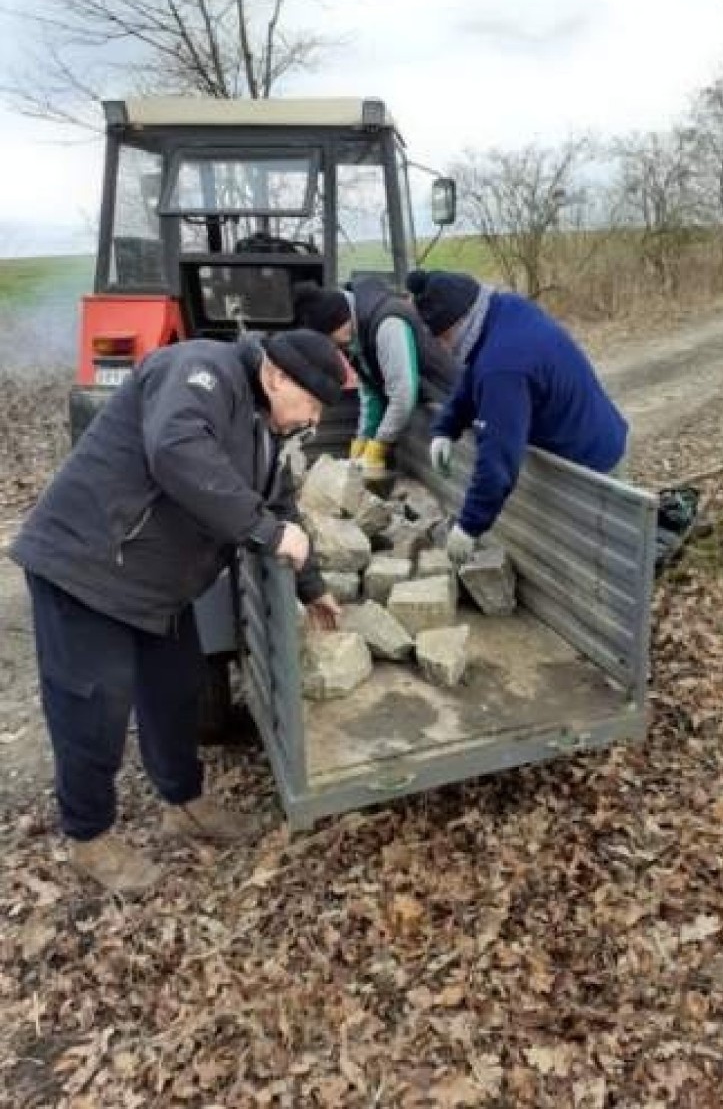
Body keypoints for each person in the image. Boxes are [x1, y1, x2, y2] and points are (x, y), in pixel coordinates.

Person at [10, 329, 346, 894]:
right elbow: (175, 450)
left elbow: (280, 506)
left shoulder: (265, 430)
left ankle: (182, 803)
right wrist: (263, 531)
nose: (310, 420)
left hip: (154, 585)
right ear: (279, 376)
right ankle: (90, 837)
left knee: (176, 691)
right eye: (310, 405)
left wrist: (312, 587)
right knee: (93, 709)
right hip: (89, 563)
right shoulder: (201, 369)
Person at [406, 269, 629, 563]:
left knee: (598, 564)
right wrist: (445, 428)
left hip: (593, 467)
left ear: (457, 325)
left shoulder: (503, 367)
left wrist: (469, 527)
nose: (444, 347)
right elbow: (474, 376)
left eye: (442, 338)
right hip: (591, 439)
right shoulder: (501, 311)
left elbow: (498, 461)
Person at [293, 277, 452, 478]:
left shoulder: (387, 324)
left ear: (339, 321)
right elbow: (371, 393)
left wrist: (379, 445)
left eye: (331, 340)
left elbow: (403, 394)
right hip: (425, 409)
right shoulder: (356, 336)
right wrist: (362, 440)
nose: (334, 348)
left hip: (446, 401)